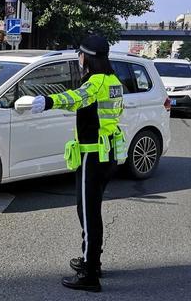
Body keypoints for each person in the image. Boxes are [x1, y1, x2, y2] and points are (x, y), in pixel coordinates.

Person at [30, 35, 125, 293]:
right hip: (106, 155)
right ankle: (92, 260)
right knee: (91, 211)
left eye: (80, 56)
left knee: (88, 213)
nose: (79, 60)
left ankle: (90, 274)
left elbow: (77, 97)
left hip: (92, 156)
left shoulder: (95, 83)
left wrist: (48, 101)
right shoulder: (114, 81)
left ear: (87, 57)